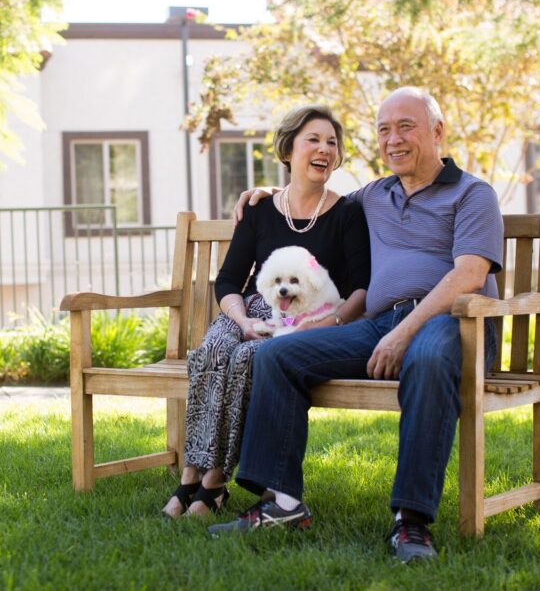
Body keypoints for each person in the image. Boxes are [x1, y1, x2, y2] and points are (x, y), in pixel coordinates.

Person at [207, 87, 503, 564]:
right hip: (381, 325)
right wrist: (266, 194)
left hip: (454, 324)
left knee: (425, 359)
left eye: (406, 127)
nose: (393, 140)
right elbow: (309, 194)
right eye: (384, 130)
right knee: (278, 354)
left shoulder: (473, 194)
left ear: (437, 132)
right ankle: (281, 502)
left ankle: (411, 522)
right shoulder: (373, 195)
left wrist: (404, 332)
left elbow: (470, 275)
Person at [162, 105, 371, 518]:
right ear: (288, 148)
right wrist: (241, 320)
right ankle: (191, 473)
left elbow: (361, 288)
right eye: (314, 139)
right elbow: (228, 281)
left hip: (312, 319)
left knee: (248, 358)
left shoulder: (348, 213)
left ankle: (214, 480)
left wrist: (325, 325)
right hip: (254, 309)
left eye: (332, 142)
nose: (324, 149)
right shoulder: (258, 208)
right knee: (214, 349)